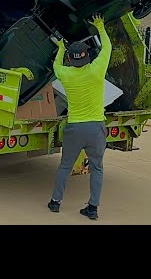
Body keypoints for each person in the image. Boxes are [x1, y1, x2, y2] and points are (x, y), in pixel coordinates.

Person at [47, 13, 112, 220]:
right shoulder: (96, 71)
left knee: (65, 166)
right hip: (95, 128)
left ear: (70, 60)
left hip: (75, 128)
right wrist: (100, 26)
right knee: (97, 168)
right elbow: (107, 48)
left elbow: (56, 66)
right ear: (87, 56)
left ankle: (56, 202)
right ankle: (92, 208)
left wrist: (60, 48)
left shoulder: (65, 74)